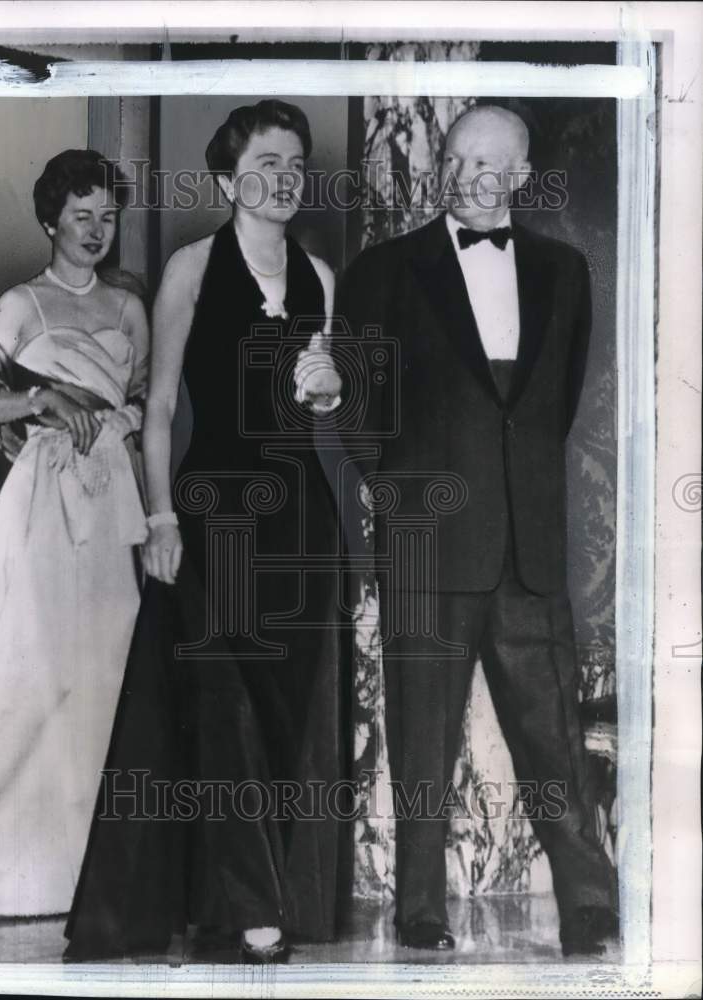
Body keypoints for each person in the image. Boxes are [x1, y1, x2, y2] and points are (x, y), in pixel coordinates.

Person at [64, 100, 349, 963]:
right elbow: (157, 411)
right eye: (265, 163)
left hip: (301, 518)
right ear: (227, 179)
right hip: (213, 511)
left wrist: (330, 387)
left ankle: (271, 896)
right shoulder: (192, 267)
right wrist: (160, 516)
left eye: (295, 163)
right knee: (223, 712)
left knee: (284, 712)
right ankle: (244, 913)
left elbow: (319, 401)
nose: (284, 178)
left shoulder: (322, 277)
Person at [337, 106, 618, 956]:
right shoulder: (382, 270)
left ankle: (589, 904)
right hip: (427, 544)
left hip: (528, 548)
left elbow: (556, 403)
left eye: (487, 165)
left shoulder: (565, 271)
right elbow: (356, 406)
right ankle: (420, 907)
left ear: (522, 175)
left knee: (553, 736)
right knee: (421, 737)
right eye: (455, 160)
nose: (464, 178)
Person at [0, 149, 150, 917]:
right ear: (49, 219)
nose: (96, 230)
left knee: (105, 671)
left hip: (113, 498)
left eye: (108, 216)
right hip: (40, 499)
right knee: (29, 668)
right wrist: (40, 402)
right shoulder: (20, 304)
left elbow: (147, 407)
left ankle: (85, 878)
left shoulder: (130, 308)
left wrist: (123, 429)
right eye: (81, 215)